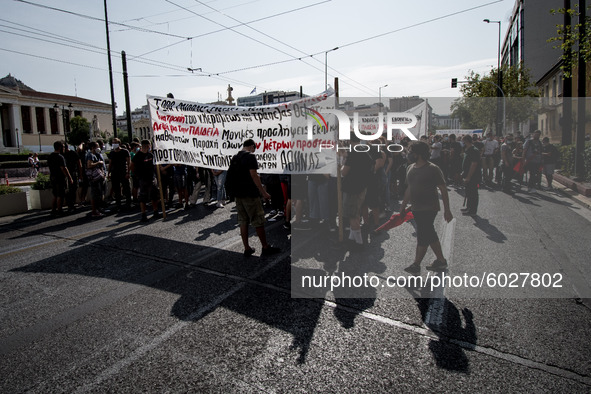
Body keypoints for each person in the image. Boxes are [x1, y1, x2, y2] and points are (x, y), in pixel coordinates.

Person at [400, 141, 453, 274]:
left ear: (418, 154)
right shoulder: (410, 168)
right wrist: (402, 207)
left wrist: (447, 210)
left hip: (429, 208)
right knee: (427, 234)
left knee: (425, 234)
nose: (409, 154)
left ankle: (417, 264)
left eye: (411, 152)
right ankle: (439, 261)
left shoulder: (433, 169)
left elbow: (443, 189)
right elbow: (409, 189)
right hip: (416, 208)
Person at [231, 139, 280, 257]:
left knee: (243, 221)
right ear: (252, 146)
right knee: (258, 220)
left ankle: (247, 248)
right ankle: (265, 247)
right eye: (254, 148)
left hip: (238, 194)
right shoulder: (250, 157)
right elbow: (253, 175)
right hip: (250, 194)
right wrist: (263, 192)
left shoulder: (235, 157)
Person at [341, 135, 374, 248]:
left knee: (352, 216)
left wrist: (341, 165)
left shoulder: (353, 153)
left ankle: (359, 243)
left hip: (352, 188)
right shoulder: (364, 151)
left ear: (349, 140)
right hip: (362, 186)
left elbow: (344, 172)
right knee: (355, 213)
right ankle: (351, 239)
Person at [130, 139, 161, 222]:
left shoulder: (150, 155)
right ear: (147, 146)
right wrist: (137, 175)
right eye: (149, 145)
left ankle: (155, 211)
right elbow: (131, 166)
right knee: (143, 197)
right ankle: (143, 214)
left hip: (151, 178)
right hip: (143, 179)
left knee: (154, 196)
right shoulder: (138, 155)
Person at [47, 141, 73, 216]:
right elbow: (64, 168)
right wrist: (69, 177)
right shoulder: (60, 157)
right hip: (60, 178)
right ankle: (59, 210)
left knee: (55, 194)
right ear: (60, 147)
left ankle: (53, 210)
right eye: (63, 147)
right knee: (60, 195)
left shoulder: (50, 156)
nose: (64, 148)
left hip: (53, 177)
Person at [108, 138, 132, 210]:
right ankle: (118, 204)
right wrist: (109, 173)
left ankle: (128, 203)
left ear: (119, 143)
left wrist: (128, 172)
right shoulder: (112, 153)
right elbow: (110, 163)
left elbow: (129, 162)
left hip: (123, 172)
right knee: (116, 189)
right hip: (114, 173)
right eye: (113, 143)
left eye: (115, 142)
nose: (114, 144)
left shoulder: (125, 151)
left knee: (126, 188)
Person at [461, 135, 481, 216]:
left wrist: (468, 177)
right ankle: (468, 207)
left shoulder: (474, 150)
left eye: (463, 141)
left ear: (466, 141)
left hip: (473, 176)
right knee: (468, 192)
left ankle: (472, 210)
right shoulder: (469, 150)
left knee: (473, 193)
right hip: (467, 174)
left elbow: (474, 164)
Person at [86, 141, 106, 218]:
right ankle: (94, 211)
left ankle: (98, 209)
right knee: (95, 194)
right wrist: (98, 163)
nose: (98, 148)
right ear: (92, 148)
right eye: (97, 146)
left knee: (98, 193)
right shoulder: (90, 155)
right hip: (94, 178)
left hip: (97, 177)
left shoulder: (94, 155)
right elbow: (89, 165)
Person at [64, 143, 82, 212]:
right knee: (68, 190)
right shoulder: (63, 154)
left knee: (74, 189)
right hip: (66, 175)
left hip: (73, 173)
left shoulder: (73, 153)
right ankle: (70, 205)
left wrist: (80, 175)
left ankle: (72, 204)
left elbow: (79, 164)